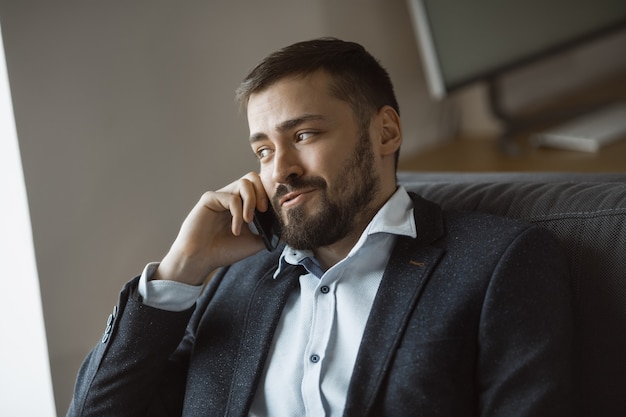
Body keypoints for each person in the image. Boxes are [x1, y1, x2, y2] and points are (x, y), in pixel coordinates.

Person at [67, 38, 574, 417]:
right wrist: (180, 271)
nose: (279, 169)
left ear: (386, 131)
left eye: (304, 134)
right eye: (263, 150)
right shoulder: (232, 282)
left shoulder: (499, 263)